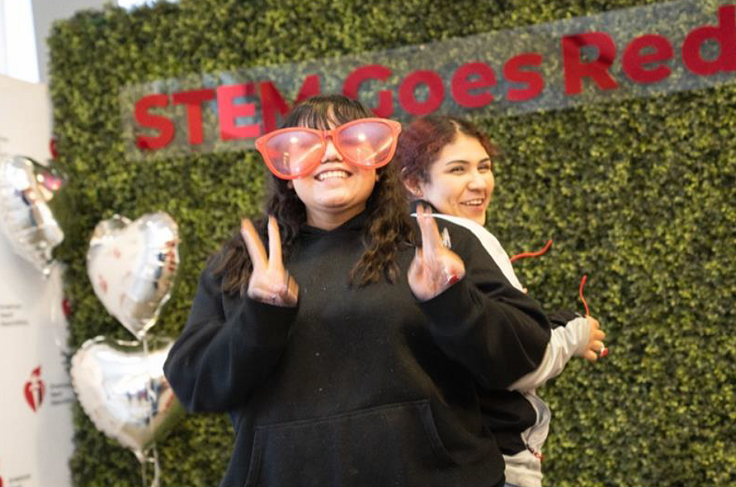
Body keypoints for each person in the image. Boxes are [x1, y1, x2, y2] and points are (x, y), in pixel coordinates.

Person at [163, 95, 558, 487]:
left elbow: (525, 354)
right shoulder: (246, 263)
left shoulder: (437, 241)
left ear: (378, 158)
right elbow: (195, 386)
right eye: (308, 144)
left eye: (351, 140)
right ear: (286, 165)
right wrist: (260, 314)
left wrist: (452, 301)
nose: (332, 155)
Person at [395, 114, 607, 487]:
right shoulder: (462, 234)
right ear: (413, 182)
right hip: (493, 460)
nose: (479, 182)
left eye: (484, 167)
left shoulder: (385, 241)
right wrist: (575, 332)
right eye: (458, 170)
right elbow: (518, 361)